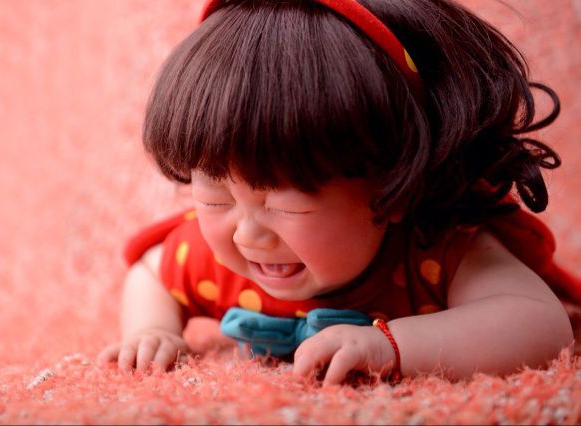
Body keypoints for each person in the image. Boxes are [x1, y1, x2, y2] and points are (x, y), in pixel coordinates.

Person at [97, 0, 578, 384]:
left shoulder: (439, 248)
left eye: (284, 203)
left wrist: (390, 347)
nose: (247, 235)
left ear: (394, 184)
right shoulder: (214, 258)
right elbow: (151, 270)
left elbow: (539, 323)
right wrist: (152, 329)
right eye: (215, 199)